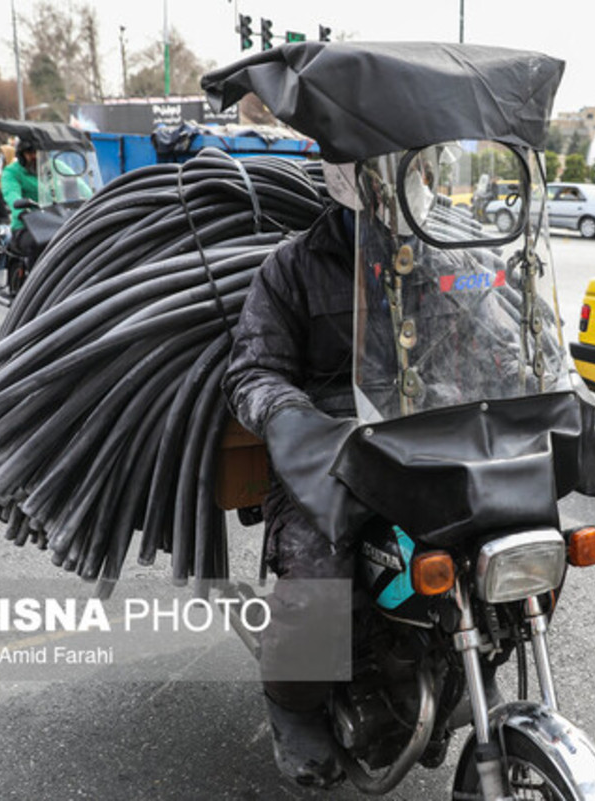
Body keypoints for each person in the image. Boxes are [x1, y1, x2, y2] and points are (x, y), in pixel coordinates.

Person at [222, 161, 360, 789]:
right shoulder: (294, 265)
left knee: (521, 542)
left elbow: (496, 345)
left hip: (434, 444)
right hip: (326, 454)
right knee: (318, 575)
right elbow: (252, 371)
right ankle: (296, 704)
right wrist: (290, 416)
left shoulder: (447, 257)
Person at [1, 137, 42, 265]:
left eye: (37, 152)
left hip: (56, 220)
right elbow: (11, 193)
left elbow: (78, 183)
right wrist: (21, 211)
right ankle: (36, 282)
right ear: (21, 155)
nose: (34, 156)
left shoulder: (54, 167)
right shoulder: (12, 172)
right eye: (30, 153)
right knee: (38, 245)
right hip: (26, 225)